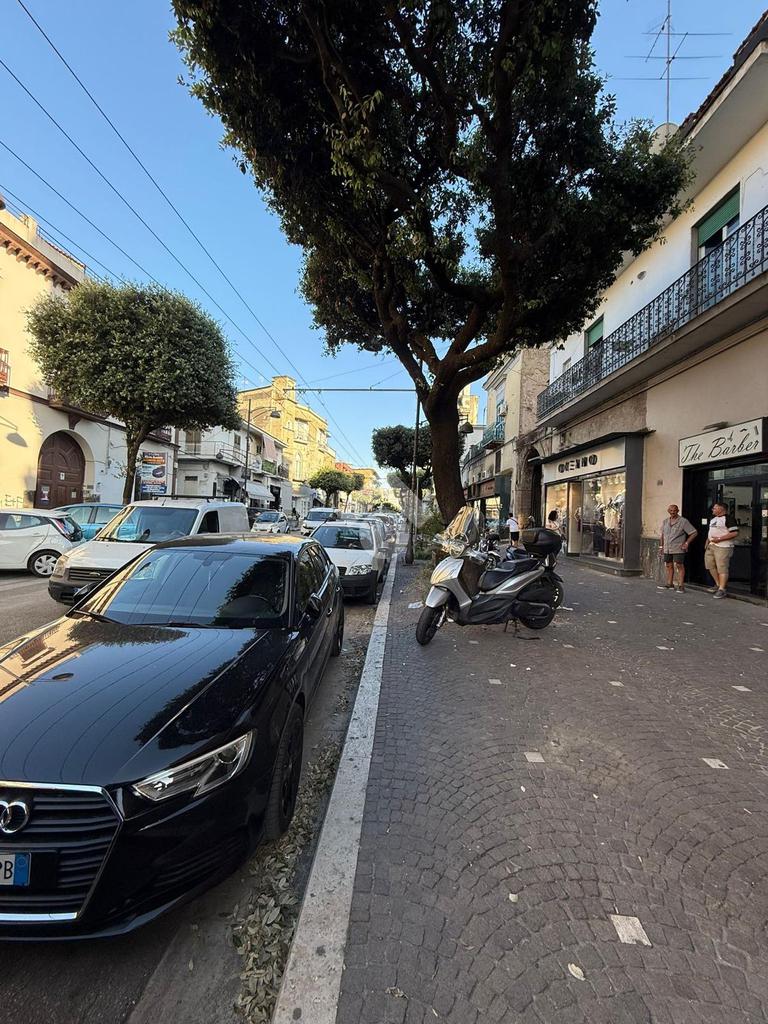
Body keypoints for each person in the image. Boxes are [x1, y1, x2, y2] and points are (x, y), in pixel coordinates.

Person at [659, 504, 697, 593]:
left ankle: (681, 585)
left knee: (679, 565)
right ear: (668, 511)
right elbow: (662, 535)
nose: (673, 512)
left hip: (678, 547)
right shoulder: (665, 521)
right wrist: (661, 547)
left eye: (674, 510)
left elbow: (694, 533)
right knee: (668, 565)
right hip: (667, 547)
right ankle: (669, 583)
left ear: (678, 511)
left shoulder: (683, 521)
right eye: (671, 510)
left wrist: (687, 543)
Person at [705, 500, 739, 599]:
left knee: (722, 567)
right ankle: (718, 584)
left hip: (723, 546)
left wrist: (719, 539)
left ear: (721, 509)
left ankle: (722, 589)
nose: (712, 509)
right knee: (710, 565)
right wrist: (707, 541)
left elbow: (734, 533)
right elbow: (711, 531)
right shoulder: (713, 519)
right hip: (711, 545)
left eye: (715, 508)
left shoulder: (729, 519)